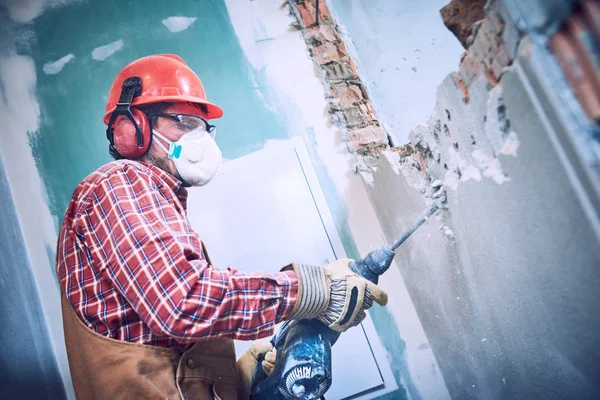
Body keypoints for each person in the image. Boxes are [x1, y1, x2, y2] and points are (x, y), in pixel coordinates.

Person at [55, 54, 388, 399]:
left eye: (203, 127)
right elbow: (182, 300)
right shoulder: (119, 183)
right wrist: (310, 291)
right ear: (131, 128)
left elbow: (166, 345)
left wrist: (232, 382)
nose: (200, 138)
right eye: (183, 122)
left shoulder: (156, 202)